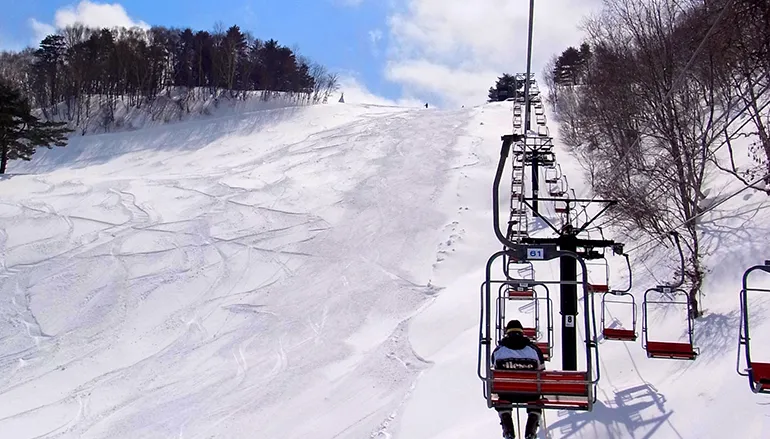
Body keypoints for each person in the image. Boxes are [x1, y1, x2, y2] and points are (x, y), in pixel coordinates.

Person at [491, 319, 546, 439]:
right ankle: (531, 429)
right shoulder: (533, 350)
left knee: (502, 399)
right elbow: (541, 370)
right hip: (530, 393)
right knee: (536, 400)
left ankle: (508, 430)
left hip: (506, 392)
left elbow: (494, 368)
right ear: (522, 333)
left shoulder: (499, 351)